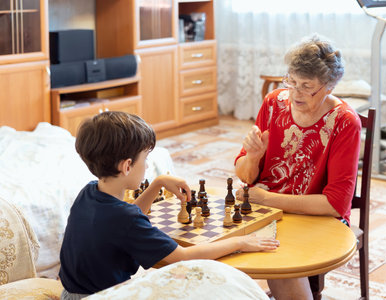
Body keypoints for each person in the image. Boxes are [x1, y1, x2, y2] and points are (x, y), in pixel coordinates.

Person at [59, 111, 279, 299]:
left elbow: (126, 216)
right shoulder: (125, 220)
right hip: (102, 297)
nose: (146, 165)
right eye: (145, 159)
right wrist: (239, 241)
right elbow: (182, 256)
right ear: (127, 166)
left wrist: (157, 184)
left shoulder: (89, 192)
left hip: (70, 294)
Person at [235, 35, 361, 300]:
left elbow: (335, 204)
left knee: (281, 255)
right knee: (215, 248)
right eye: (291, 81)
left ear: (328, 86)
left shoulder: (344, 122)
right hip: (265, 208)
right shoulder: (273, 103)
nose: (294, 93)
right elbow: (245, 175)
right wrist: (254, 157)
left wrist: (267, 198)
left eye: (306, 86)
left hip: (316, 216)